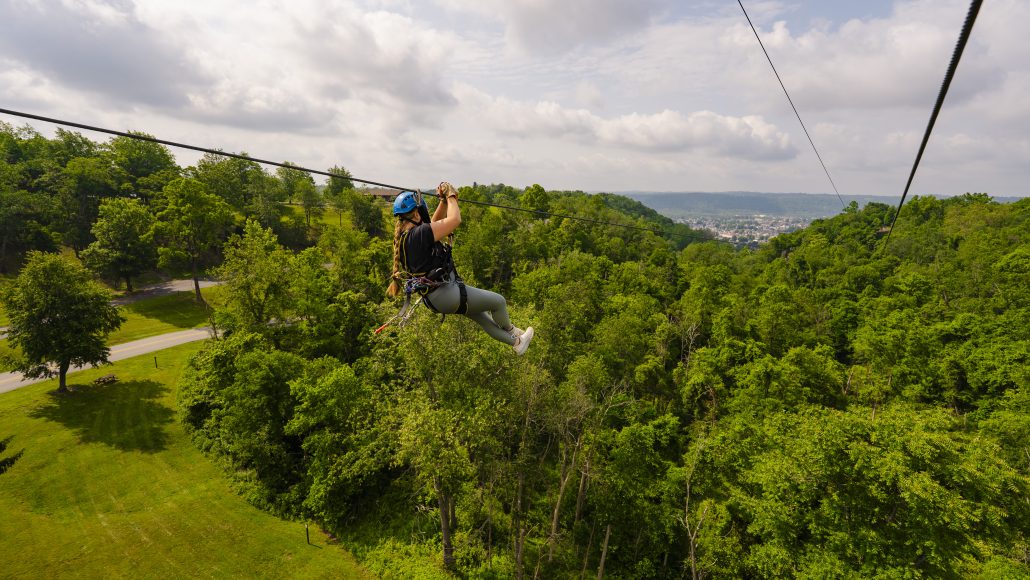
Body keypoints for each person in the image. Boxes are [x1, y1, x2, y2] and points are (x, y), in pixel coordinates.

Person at [388, 183, 534, 355]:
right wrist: (451, 197)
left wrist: (443, 202)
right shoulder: (420, 234)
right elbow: (454, 220)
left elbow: (434, 224)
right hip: (447, 294)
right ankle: (512, 332)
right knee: (499, 301)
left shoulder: (408, 237)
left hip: (437, 298)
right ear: (416, 214)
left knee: (482, 317)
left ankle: (516, 342)